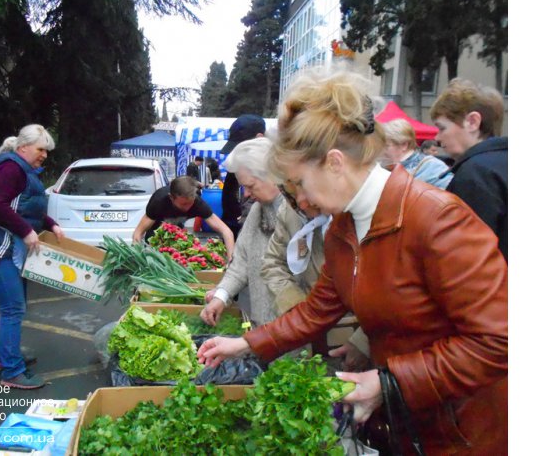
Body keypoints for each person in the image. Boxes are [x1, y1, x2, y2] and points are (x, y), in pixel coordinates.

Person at [197, 69, 507, 455]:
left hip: (465, 433)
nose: (303, 201)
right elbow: (317, 310)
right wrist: (244, 343)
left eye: (301, 184)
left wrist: (391, 382)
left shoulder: (437, 218)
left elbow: (499, 340)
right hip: (406, 424)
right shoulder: (343, 229)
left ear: (335, 163)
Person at [0, 124, 65, 390]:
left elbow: (25, 207)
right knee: (13, 308)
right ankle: (11, 371)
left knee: (15, 305)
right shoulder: (11, 168)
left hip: (9, 249)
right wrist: (26, 231)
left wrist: (50, 223)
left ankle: (8, 358)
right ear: (24, 147)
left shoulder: (22, 170)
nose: (44, 155)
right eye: (40, 149)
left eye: (47, 150)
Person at [260, 181, 370, 372]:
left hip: (361, 338)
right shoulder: (289, 211)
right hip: (312, 336)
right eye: (292, 196)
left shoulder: (359, 210)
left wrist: (363, 343)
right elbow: (273, 262)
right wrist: (298, 309)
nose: (301, 203)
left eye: (305, 190)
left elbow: (391, 292)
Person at [200, 137, 284, 326]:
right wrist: (221, 296)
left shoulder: (297, 213)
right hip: (261, 330)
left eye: (250, 186)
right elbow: (241, 261)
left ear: (273, 175)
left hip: (292, 335)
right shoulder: (256, 211)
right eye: (243, 186)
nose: (245, 193)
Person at [431, 78, 507, 260]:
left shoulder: (475, 173)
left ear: (472, 122)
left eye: (442, 128)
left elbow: (469, 257)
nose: (437, 138)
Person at [133, 176, 235, 260]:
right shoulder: (159, 201)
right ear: (171, 198)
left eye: (190, 203)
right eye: (183, 204)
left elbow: (226, 231)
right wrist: (137, 256)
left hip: (177, 239)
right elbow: (138, 233)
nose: (187, 207)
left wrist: (231, 259)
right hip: (154, 238)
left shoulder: (197, 203)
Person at [220, 114, 266, 239]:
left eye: (241, 147)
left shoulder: (279, 170)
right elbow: (228, 199)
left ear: (259, 138)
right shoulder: (237, 163)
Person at [381, 119, 453, 189]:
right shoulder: (386, 170)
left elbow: (451, 198)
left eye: (386, 146)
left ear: (404, 145)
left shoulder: (432, 167)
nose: (382, 151)